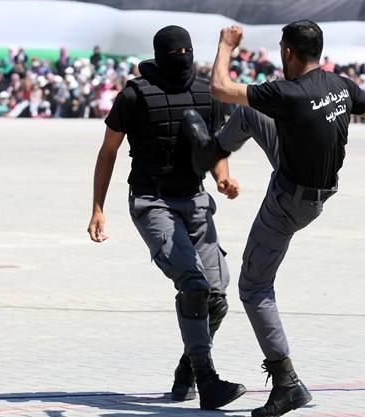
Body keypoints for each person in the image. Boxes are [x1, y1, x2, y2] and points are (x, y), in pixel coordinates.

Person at [193, 20, 365, 417]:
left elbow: (221, 88)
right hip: (311, 183)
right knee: (248, 114)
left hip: (291, 201)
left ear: (288, 52)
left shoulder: (286, 93)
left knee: (254, 287)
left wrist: (225, 45)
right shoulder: (341, 86)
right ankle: (213, 156)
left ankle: (286, 382)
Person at [86, 25, 246, 410]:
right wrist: (98, 208)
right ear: (160, 57)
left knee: (216, 298)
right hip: (152, 200)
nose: (183, 59)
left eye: (188, 52)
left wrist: (222, 177)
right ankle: (208, 380)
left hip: (195, 198)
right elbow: (108, 151)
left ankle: (188, 370)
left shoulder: (207, 93)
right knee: (193, 285)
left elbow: (212, 147)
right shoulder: (135, 95)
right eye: (176, 54)